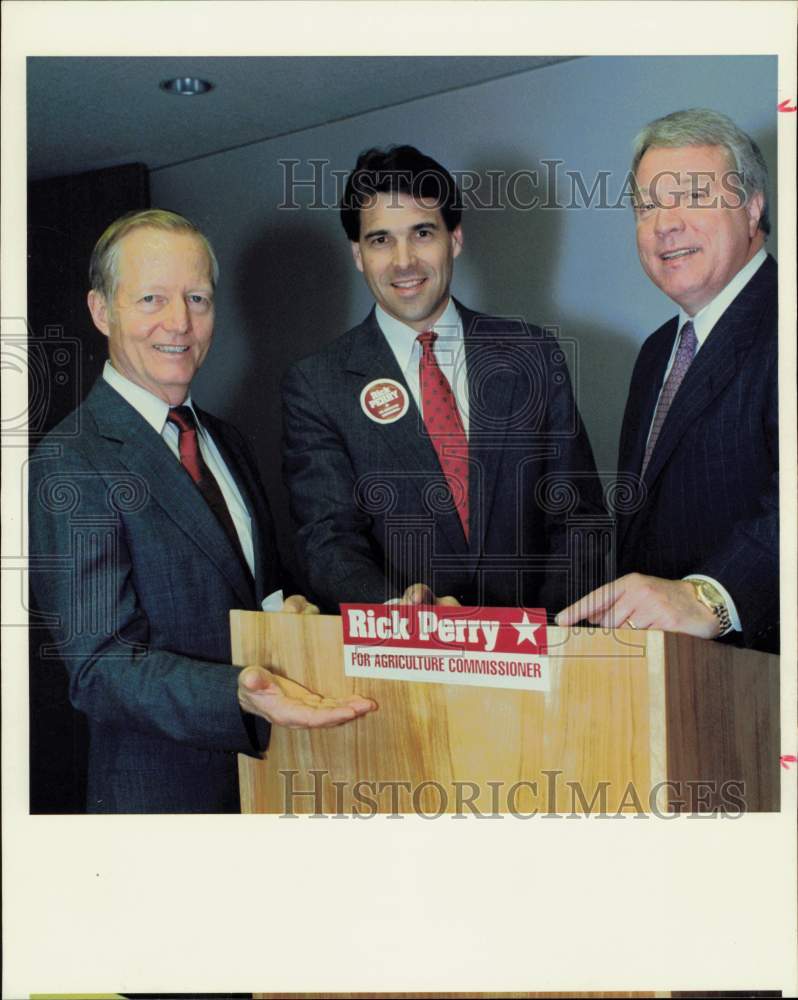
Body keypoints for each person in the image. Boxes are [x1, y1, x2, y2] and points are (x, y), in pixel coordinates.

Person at [28, 209, 375, 814]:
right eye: (151, 299)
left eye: (197, 298)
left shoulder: (226, 440)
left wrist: (288, 610)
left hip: (272, 783)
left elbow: (253, 589)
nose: (179, 323)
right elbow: (98, 667)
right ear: (101, 310)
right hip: (162, 802)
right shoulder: (70, 460)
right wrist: (238, 691)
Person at [282, 145, 604, 613]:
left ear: (454, 239)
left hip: (542, 659)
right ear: (357, 254)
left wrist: (539, 635)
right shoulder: (317, 385)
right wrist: (403, 613)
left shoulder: (533, 354)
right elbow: (328, 539)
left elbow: (579, 519)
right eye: (380, 240)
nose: (404, 261)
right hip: (403, 666)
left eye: (422, 233)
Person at [557, 109, 778, 653]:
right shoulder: (658, 351)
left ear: (752, 208)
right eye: (647, 206)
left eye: (694, 197)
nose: (665, 223)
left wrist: (711, 598)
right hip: (663, 682)